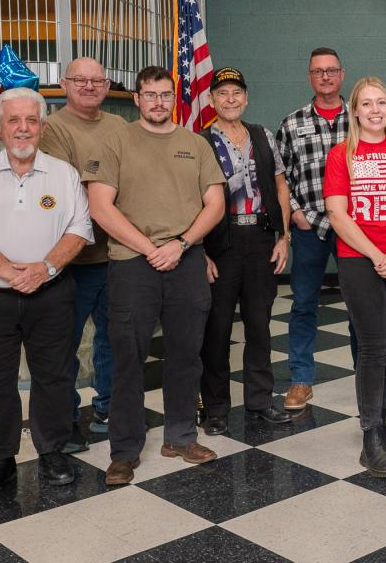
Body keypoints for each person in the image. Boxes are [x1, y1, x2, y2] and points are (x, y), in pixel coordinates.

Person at [0, 88, 93, 496]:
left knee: (55, 375)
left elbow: (79, 229)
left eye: (31, 120)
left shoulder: (63, 174)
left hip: (52, 294)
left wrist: (44, 268)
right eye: (14, 121)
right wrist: (10, 271)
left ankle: (52, 451)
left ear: (42, 127)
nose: (22, 128)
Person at [85, 65, 227, 486]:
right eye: (150, 95)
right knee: (128, 358)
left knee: (186, 353)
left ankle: (180, 437)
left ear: (174, 97)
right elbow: (100, 206)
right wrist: (150, 249)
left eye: (166, 95)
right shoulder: (115, 141)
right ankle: (124, 452)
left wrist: (180, 245)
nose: (159, 102)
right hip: (132, 263)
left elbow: (215, 204)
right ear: (137, 99)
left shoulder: (195, 143)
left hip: (185, 260)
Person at [324, 76, 386, 478]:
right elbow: (337, 214)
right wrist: (377, 254)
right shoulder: (340, 156)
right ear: (355, 111)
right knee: (372, 345)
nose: (375, 110)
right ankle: (369, 437)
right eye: (366, 104)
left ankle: (381, 420)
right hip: (359, 260)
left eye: (381, 102)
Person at [198, 67, 293, 434]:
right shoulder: (201, 142)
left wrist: (283, 236)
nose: (231, 99)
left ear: (246, 97)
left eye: (237, 92)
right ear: (212, 101)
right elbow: (193, 198)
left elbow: (281, 187)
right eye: (223, 93)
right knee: (217, 329)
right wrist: (200, 252)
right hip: (220, 243)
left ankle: (259, 400)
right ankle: (217, 407)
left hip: (260, 241)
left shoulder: (262, 136)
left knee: (259, 325)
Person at [39, 57, 126, 452]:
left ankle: (108, 407)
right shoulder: (52, 128)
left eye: (97, 80)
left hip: (116, 256)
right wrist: (108, 185)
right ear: (63, 84)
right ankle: (67, 416)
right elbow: (70, 187)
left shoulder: (119, 126)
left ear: (107, 85)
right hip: (72, 261)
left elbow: (132, 182)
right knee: (65, 344)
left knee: (114, 339)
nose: (89, 86)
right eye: (80, 80)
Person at [276, 47, 352, 411]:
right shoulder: (292, 123)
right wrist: (294, 213)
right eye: (318, 71)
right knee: (304, 303)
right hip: (310, 227)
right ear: (310, 77)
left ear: (342, 75)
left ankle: (366, 377)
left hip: (354, 227)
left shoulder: (363, 118)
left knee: (359, 304)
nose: (325, 76)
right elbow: (280, 177)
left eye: (331, 70)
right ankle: (301, 379)